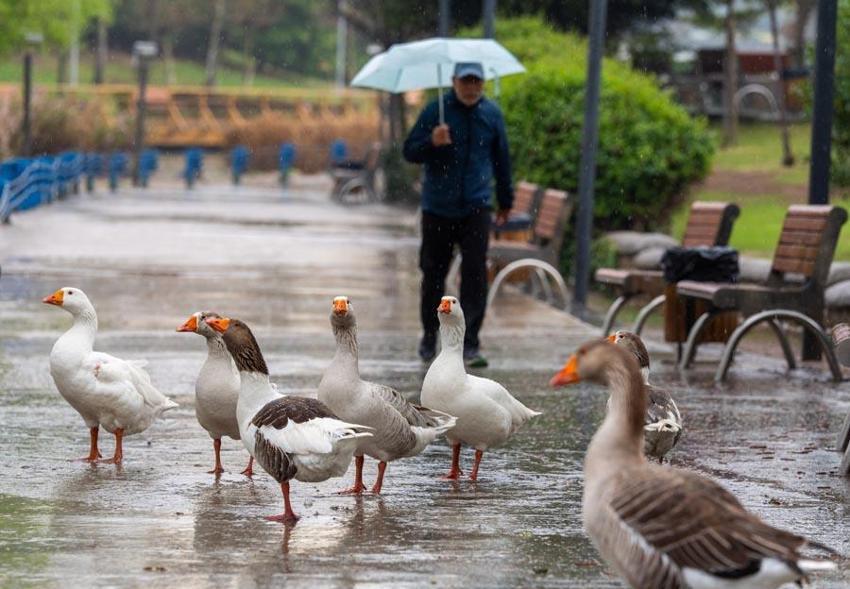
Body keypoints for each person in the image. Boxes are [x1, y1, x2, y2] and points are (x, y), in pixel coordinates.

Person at [403, 62, 513, 368]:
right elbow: (409, 151)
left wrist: (506, 201)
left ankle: (471, 343)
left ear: (483, 83)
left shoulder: (491, 114)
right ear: (453, 81)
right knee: (433, 274)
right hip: (438, 207)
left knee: (475, 275)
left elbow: (502, 159)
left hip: (476, 206)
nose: (471, 86)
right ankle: (429, 335)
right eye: (465, 81)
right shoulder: (434, 111)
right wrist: (431, 142)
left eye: (476, 81)